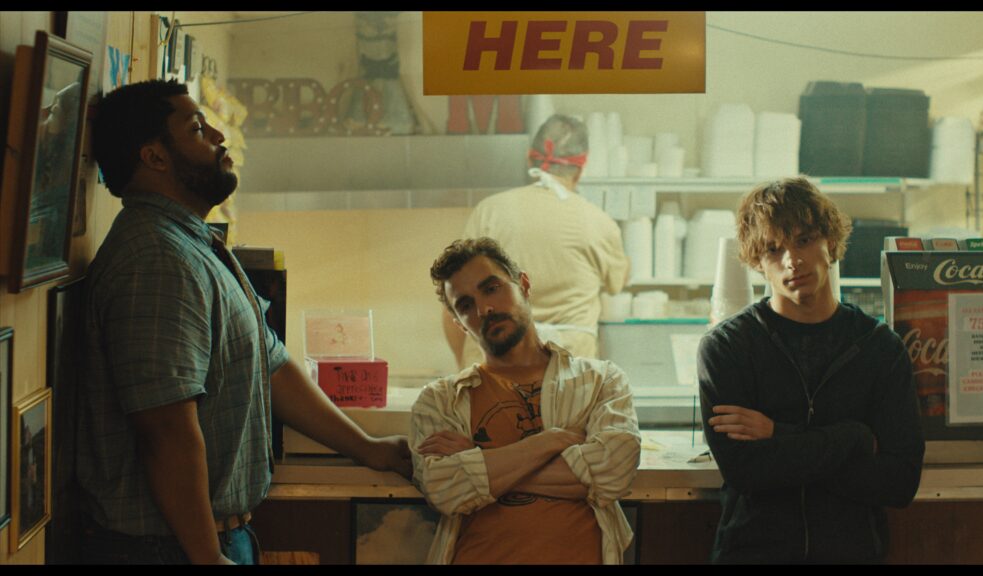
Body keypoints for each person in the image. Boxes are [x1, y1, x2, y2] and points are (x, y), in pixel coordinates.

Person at [77, 80, 411, 565]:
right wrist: (207, 558)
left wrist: (368, 448)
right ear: (155, 157)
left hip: (207, 540)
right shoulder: (154, 258)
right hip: (166, 549)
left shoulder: (195, 244)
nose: (218, 136)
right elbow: (165, 430)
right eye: (196, 128)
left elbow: (271, 364)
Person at [697, 176, 925, 563]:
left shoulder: (879, 348)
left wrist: (777, 436)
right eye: (773, 249)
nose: (792, 260)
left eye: (803, 240)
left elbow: (898, 483)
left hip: (851, 554)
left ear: (830, 243)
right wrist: (852, 439)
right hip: (754, 554)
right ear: (757, 262)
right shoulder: (727, 348)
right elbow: (746, 471)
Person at [412, 237, 641, 564]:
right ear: (460, 324)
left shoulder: (600, 380)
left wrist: (477, 459)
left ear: (523, 284)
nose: (484, 309)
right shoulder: (440, 400)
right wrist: (552, 442)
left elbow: (613, 471)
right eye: (465, 305)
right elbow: (443, 487)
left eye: (491, 288)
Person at [445, 114, 629, 369]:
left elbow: (452, 306)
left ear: (530, 158)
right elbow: (617, 284)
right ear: (580, 168)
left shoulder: (489, 212)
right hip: (571, 371)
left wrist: (465, 364)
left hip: (496, 370)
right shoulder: (599, 222)